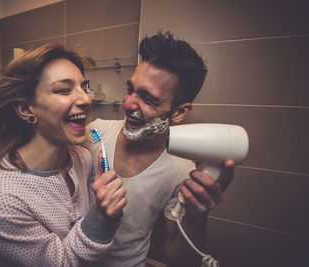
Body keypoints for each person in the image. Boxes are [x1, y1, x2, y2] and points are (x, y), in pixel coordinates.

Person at [0, 44, 127, 266]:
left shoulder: (82, 159)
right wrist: (101, 218)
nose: (85, 99)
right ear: (26, 109)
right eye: (64, 90)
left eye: (84, 87)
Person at [84, 32, 234, 266]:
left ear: (179, 112)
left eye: (147, 99)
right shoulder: (96, 133)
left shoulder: (182, 171)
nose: (128, 103)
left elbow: (175, 247)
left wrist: (197, 217)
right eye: (130, 89)